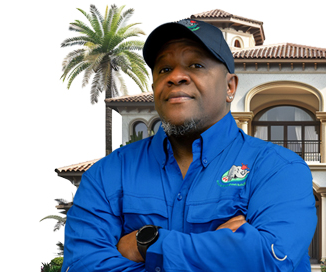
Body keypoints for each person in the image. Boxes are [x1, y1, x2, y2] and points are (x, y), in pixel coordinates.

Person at [61, 19, 317, 272]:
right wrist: (225, 251)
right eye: (164, 69)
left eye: (196, 65)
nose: (176, 77)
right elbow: (83, 266)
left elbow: (272, 261)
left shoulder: (278, 169)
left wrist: (146, 244)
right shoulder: (106, 176)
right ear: (154, 87)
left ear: (230, 87)